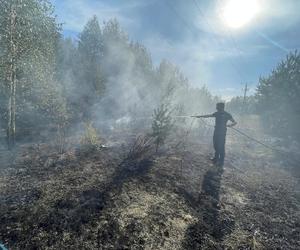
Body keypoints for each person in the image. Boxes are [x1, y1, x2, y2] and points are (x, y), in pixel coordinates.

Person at [192, 102, 237, 167]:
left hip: (222, 132)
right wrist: (199, 116)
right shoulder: (217, 113)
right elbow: (209, 116)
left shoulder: (227, 114)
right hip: (216, 131)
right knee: (215, 144)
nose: (216, 108)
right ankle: (216, 158)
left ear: (221, 107)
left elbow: (235, 122)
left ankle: (221, 162)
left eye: (217, 107)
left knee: (221, 146)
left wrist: (230, 125)